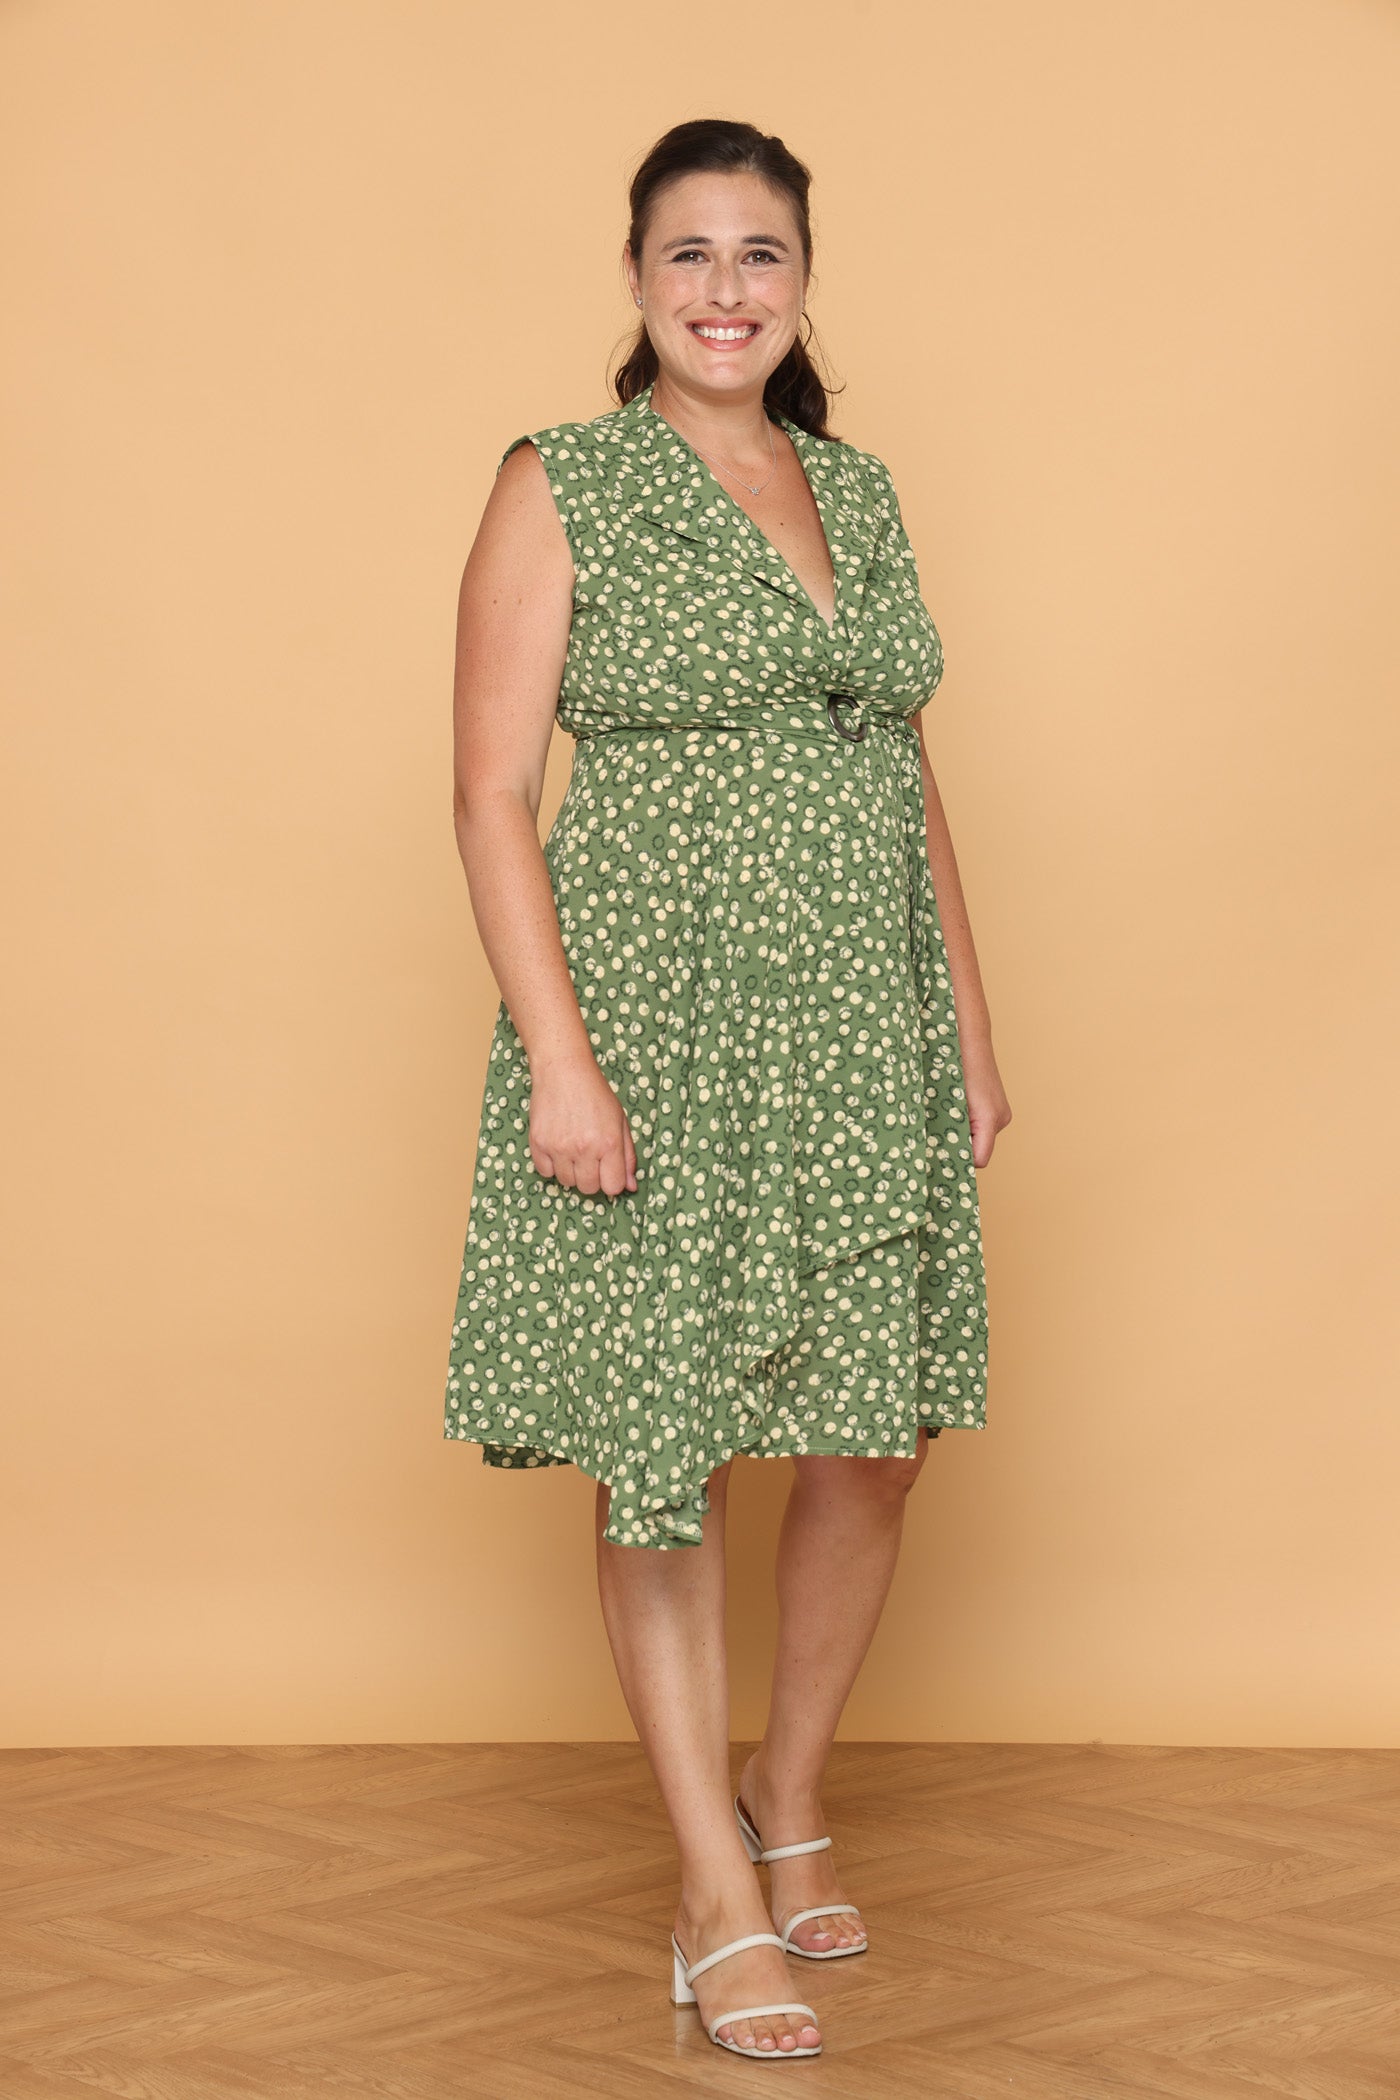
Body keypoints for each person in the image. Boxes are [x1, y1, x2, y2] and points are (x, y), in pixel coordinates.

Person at [442, 117, 1011, 2060]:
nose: (723, 289)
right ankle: (709, 1886)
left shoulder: (857, 486)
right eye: (686, 254)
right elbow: (488, 792)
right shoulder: (564, 480)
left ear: (802, 283)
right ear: (635, 279)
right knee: (664, 1438)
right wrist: (561, 1059)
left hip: (862, 1024)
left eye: (759, 254)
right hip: (659, 1024)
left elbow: (900, 761)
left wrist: (969, 1025)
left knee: (875, 1434)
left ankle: (786, 1786)